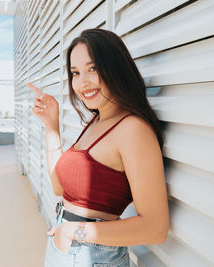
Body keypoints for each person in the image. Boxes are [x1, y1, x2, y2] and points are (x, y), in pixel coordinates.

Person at [27, 28, 169, 267]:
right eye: (75, 72)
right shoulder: (96, 121)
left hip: (91, 256)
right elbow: (59, 187)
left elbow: (156, 228)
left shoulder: (133, 129)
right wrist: (52, 126)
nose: (82, 82)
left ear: (116, 67)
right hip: (65, 248)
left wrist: (76, 232)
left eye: (93, 68)